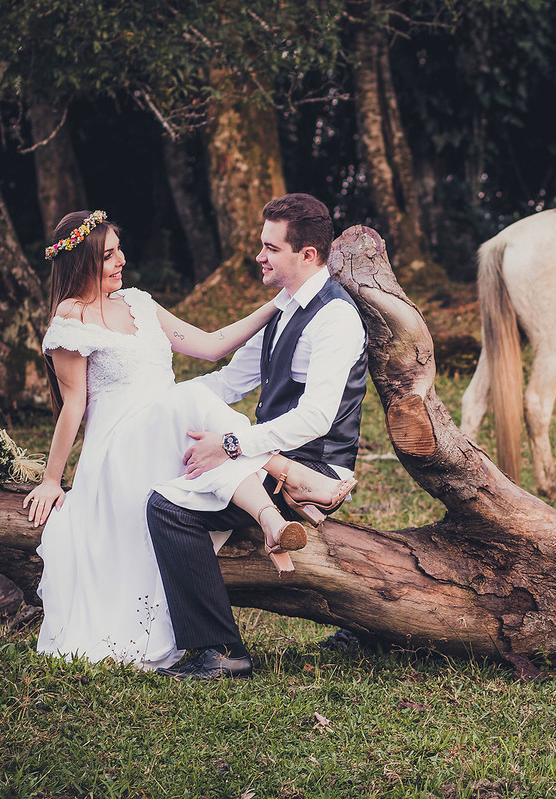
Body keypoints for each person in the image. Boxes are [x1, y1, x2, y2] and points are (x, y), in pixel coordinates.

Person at [24, 209, 354, 670]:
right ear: (80, 263)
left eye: (119, 250)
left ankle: (271, 521)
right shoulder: (70, 321)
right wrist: (52, 480)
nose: (121, 261)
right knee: (186, 399)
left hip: (167, 439)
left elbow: (212, 345)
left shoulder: (138, 302)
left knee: (187, 402)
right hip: (119, 450)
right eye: (107, 257)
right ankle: (286, 475)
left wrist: (283, 300)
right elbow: (73, 407)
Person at [147, 193, 368, 681]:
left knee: (168, 509)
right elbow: (228, 382)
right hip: (267, 457)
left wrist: (228, 446)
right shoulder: (285, 307)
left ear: (307, 255)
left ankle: (220, 651)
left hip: (313, 469)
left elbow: (315, 419)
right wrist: (155, 402)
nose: (259, 256)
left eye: (271, 247)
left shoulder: (336, 318)